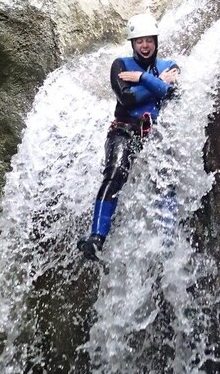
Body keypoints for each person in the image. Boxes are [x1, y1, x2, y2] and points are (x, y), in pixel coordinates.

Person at [77, 14, 180, 260]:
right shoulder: (120, 65)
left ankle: (169, 241)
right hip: (124, 129)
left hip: (155, 133)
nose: (144, 46)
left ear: (155, 41)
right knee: (115, 173)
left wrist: (143, 79)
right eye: (139, 41)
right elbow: (128, 99)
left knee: (167, 181)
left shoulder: (171, 65)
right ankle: (97, 237)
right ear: (132, 44)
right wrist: (156, 83)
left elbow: (172, 93)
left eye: (149, 41)